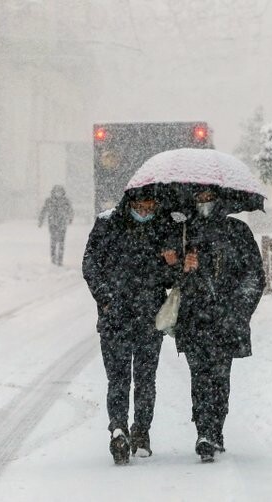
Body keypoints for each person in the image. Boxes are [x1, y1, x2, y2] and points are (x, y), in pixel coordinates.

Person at [168, 186, 265, 462]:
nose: (204, 203)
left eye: (209, 198)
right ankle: (204, 432)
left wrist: (239, 309)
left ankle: (215, 428)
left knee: (220, 378)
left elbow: (254, 274)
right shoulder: (184, 232)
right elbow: (167, 274)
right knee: (199, 376)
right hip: (194, 318)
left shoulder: (237, 231)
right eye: (199, 198)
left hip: (226, 319)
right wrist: (182, 266)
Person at [82, 187, 175, 465]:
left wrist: (171, 263)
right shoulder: (108, 224)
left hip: (149, 317)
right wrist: (106, 298)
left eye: (150, 206)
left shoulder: (163, 225)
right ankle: (119, 429)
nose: (145, 211)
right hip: (115, 318)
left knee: (146, 379)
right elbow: (90, 263)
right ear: (130, 202)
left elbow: (170, 279)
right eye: (141, 206)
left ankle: (141, 431)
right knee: (119, 378)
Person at [38, 185, 74, 266]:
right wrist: (41, 220)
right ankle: (53, 259)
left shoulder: (66, 201)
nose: (58, 193)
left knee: (61, 242)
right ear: (53, 192)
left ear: (62, 192)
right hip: (52, 224)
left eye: (60, 192)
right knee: (53, 241)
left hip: (62, 224)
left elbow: (70, 210)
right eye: (56, 191)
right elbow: (44, 210)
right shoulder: (49, 201)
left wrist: (70, 218)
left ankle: (60, 260)